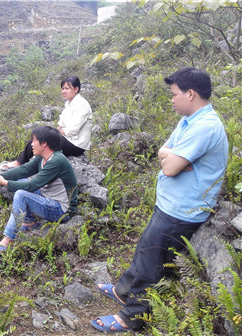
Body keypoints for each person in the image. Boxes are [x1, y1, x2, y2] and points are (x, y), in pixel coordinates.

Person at [90, 67, 229, 332]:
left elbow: (168, 167)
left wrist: (173, 160)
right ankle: (123, 290)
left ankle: (132, 317)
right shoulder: (189, 119)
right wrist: (173, 157)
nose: (172, 99)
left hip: (183, 210)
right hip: (170, 203)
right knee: (145, 249)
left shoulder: (205, 127)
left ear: (190, 94)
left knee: (151, 263)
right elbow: (162, 152)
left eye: (174, 94)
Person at [0, 126, 78, 255]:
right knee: (20, 183)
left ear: (44, 143)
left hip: (62, 209)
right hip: (49, 199)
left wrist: (5, 183)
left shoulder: (57, 161)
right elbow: (24, 170)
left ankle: (7, 239)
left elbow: (32, 186)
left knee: (21, 194)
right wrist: (0, 177)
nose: (31, 144)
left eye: (34, 140)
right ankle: (29, 222)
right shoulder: (43, 158)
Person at [7, 76, 93, 168]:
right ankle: (26, 163)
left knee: (43, 138)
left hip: (75, 144)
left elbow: (72, 131)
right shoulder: (69, 104)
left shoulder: (83, 105)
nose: (63, 91)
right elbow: (61, 124)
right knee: (39, 136)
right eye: (62, 89)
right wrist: (58, 131)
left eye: (67, 89)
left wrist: (56, 132)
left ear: (76, 89)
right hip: (66, 138)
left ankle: (19, 163)